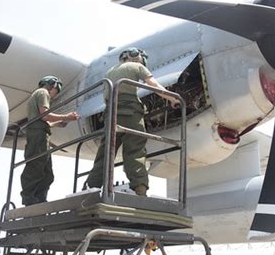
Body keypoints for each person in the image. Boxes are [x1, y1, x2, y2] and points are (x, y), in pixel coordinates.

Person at [86, 47, 179, 196]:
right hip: (130, 114)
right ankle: (139, 188)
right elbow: (153, 84)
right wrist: (172, 98)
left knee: (105, 153)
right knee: (135, 150)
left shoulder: (109, 72)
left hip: (111, 113)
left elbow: (106, 97)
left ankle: (91, 187)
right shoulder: (137, 66)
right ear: (137, 56)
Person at [20, 75, 80, 206]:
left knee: (47, 173)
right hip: (38, 136)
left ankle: (39, 198)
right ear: (53, 85)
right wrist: (67, 116)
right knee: (35, 166)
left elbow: (41, 119)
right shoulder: (43, 92)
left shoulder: (37, 94)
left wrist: (58, 122)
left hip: (40, 134)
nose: (54, 95)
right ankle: (29, 197)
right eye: (56, 91)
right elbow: (45, 115)